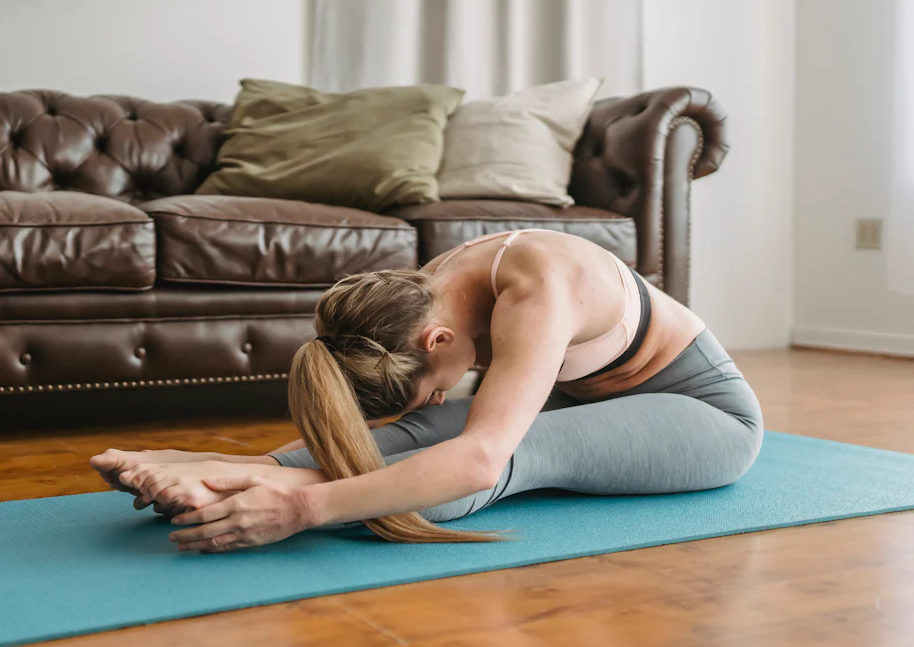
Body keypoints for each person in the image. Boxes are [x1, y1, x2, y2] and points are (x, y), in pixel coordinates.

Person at [91, 229, 764, 552]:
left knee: (510, 453)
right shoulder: (426, 292)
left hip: (703, 413)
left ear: (437, 343)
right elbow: (430, 425)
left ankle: (269, 490)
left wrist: (302, 509)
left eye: (432, 383)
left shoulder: (536, 289)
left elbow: (479, 460)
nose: (440, 393)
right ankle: (236, 471)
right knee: (421, 435)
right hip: (590, 396)